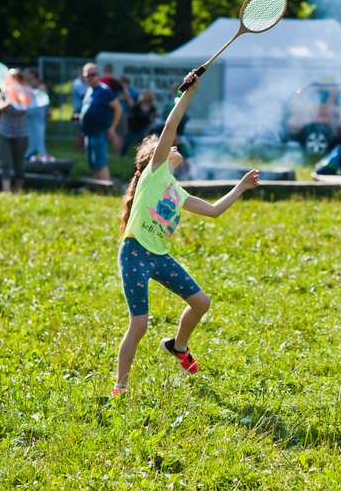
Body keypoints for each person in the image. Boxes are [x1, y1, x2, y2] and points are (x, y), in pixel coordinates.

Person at [111, 70, 260, 397]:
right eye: (167, 146)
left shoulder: (177, 192)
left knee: (201, 302)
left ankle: (178, 346)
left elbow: (215, 210)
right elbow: (169, 127)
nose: (174, 145)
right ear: (153, 159)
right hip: (135, 251)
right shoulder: (156, 173)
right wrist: (187, 95)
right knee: (139, 324)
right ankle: (120, 387)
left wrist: (241, 186)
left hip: (159, 257)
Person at [79, 62, 122, 181]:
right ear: (84, 77)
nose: (91, 78)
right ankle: (97, 188)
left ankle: (105, 189)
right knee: (93, 163)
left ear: (98, 75)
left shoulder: (104, 90)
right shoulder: (89, 91)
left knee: (100, 163)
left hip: (100, 131)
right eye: (88, 75)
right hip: (89, 132)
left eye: (93, 74)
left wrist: (112, 128)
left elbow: (118, 109)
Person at [0, 68, 30, 193]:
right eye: (11, 78)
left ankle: (18, 189)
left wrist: (18, 98)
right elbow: (1, 107)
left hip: (20, 134)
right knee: (5, 163)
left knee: (18, 164)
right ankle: (6, 190)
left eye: (16, 78)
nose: (13, 80)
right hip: (4, 132)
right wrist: (10, 99)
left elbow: (25, 110)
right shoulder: (3, 93)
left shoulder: (25, 94)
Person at [120, 89, 156, 157]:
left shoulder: (152, 108)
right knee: (127, 140)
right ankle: (122, 155)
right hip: (134, 126)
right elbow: (131, 115)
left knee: (141, 141)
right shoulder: (137, 105)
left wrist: (148, 130)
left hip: (143, 126)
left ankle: (140, 156)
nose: (146, 97)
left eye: (148, 96)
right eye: (145, 95)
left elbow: (152, 120)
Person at [23, 67, 50, 160]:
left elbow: (46, 105)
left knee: (38, 139)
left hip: (38, 120)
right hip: (27, 119)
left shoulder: (41, 88)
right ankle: (28, 155)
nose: (28, 81)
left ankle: (39, 156)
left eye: (30, 78)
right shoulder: (25, 90)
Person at [72, 70, 89, 152]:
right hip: (79, 110)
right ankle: (78, 151)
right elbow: (84, 95)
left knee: (82, 132)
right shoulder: (78, 83)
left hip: (81, 110)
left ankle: (82, 151)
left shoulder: (82, 83)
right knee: (80, 132)